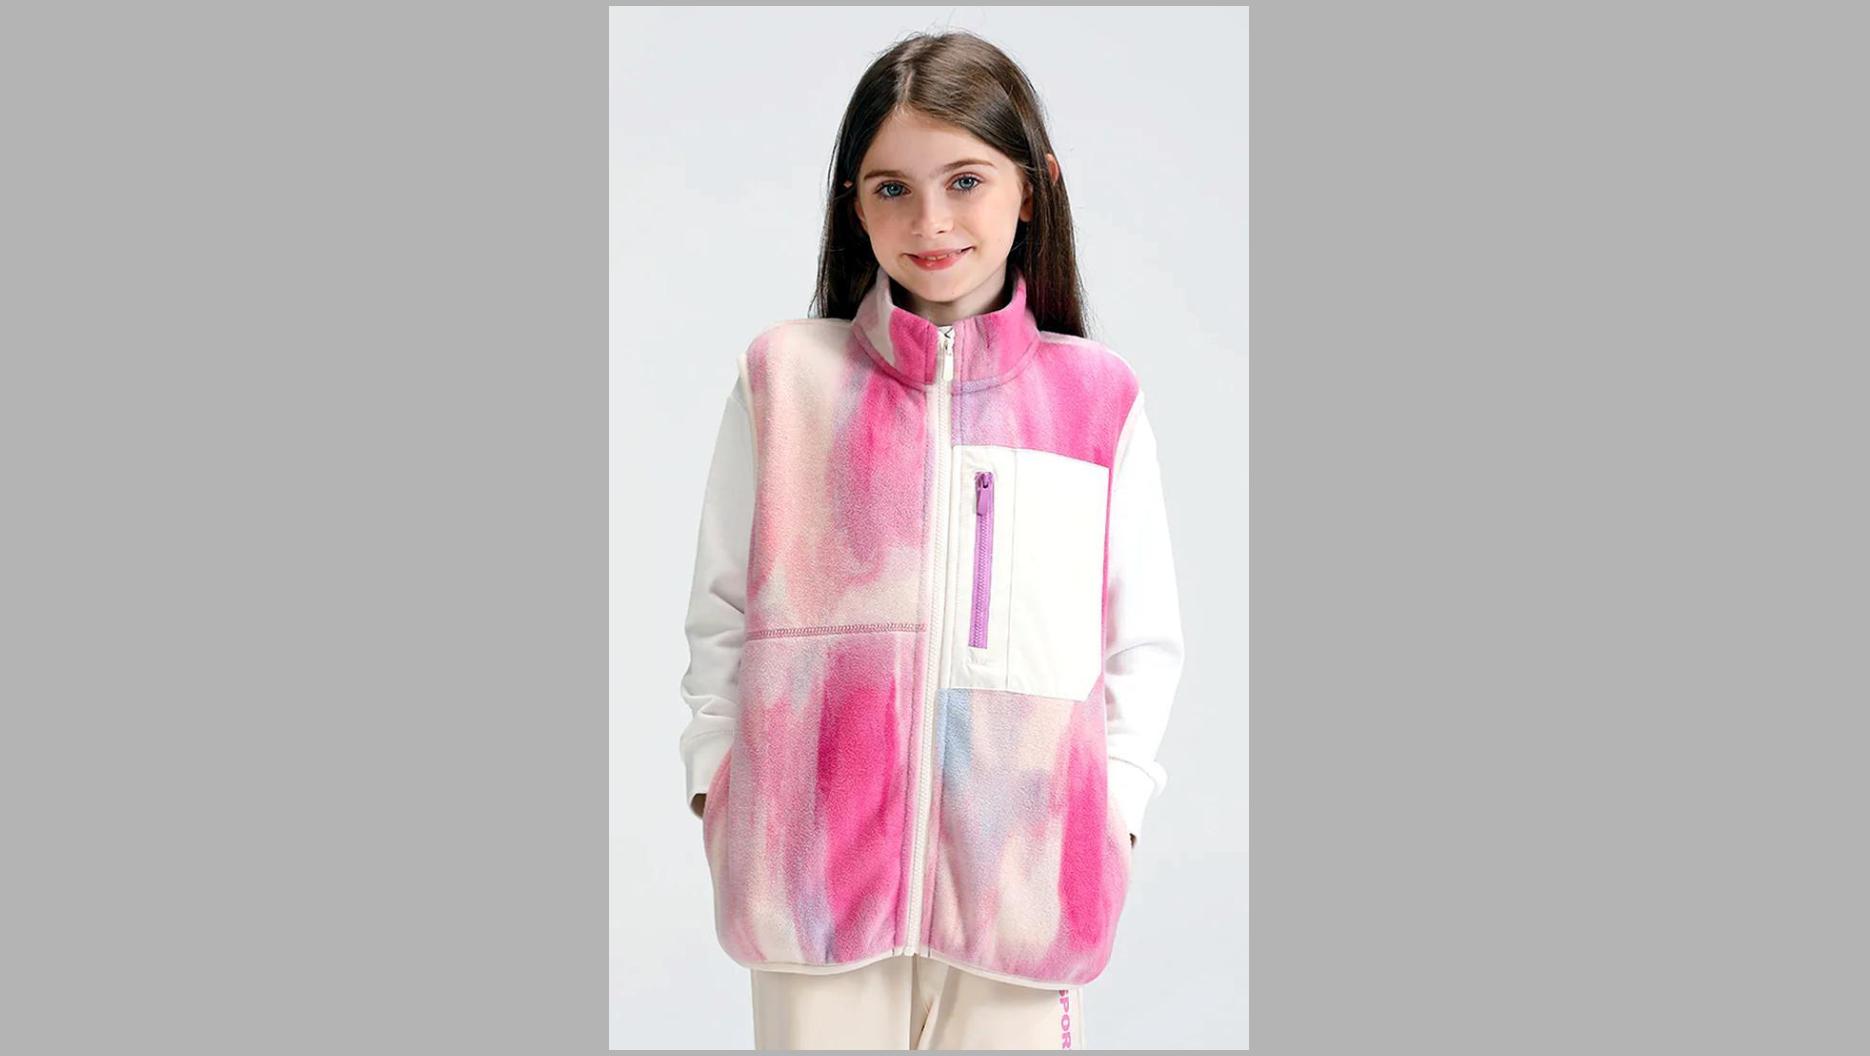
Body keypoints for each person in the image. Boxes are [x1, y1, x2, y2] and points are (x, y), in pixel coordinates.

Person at [677, 29, 1185, 1050]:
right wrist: (717, 786)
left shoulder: (1095, 400)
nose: (931, 220)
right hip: (809, 887)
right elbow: (721, 612)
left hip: (1024, 889)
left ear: (1031, 189)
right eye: (892, 189)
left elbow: (1140, 643)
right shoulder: (787, 381)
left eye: (965, 180)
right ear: (854, 206)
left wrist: (1114, 815)